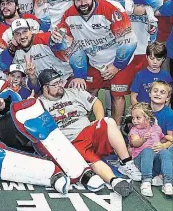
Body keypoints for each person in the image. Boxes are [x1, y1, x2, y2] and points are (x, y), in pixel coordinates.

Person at [37, 69, 141, 197]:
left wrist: (99, 121)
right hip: (71, 143)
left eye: (60, 81)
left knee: (108, 121)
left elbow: (96, 103)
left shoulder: (74, 92)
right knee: (91, 159)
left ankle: (126, 163)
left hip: (89, 132)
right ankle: (114, 181)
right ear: (45, 88)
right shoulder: (39, 104)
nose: (60, 85)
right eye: (55, 84)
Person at [55, 0, 137, 125]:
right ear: (73, 1)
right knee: (88, 92)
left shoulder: (109, 9)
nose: (83, 3)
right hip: (94, 60)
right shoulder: (68, 15)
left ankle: (116, 129)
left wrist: (116, 66)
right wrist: (55, 40)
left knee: (117, 95)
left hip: (118, 60)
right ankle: (82, 126)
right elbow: (63, 41)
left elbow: (129, 41)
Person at [0, 18, 77, 87]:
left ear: (31, 31)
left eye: (25, 32)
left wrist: (56, 40)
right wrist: (12, 46)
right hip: (43, 88)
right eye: (17, 34)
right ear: (13, 37)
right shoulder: (15, 51)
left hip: (65, 80)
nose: (22, 36)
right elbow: (2, 66)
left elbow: (55, 41)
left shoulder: (42, 38)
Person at [129, 102, 173, 196]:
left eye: (138, 118)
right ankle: (146, 181)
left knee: (165, 153)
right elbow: (135, 143)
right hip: (141, 160)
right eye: (133, 118)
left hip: (155, 163)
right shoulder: (134, 130)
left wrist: (162, 145)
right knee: (148, 151)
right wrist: (142, 139)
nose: (134, 121)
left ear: (148, 118)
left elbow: (162, 139)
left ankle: (168, 183)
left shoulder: (156, 128)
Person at [149, 81, 173, 153]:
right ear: (150, 94)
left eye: (162, 92)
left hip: (162, 142)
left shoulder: (170, 114)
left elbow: (171, 138)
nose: (158, 94)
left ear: (167, 98)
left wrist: (164, 146)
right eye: (155, 91)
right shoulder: (143, 110)